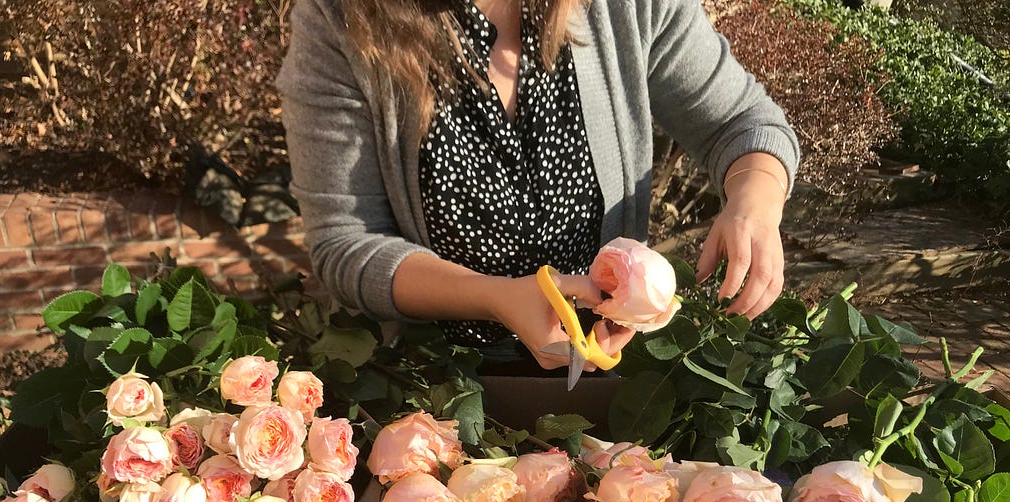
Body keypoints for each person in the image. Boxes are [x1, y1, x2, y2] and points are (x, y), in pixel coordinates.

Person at [277, 0, 799, 371]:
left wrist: (755, 198)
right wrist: (495, 297)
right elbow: (346, 241)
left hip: (609, 380)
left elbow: (742, 123)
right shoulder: (340, 19)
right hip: (428, 393)